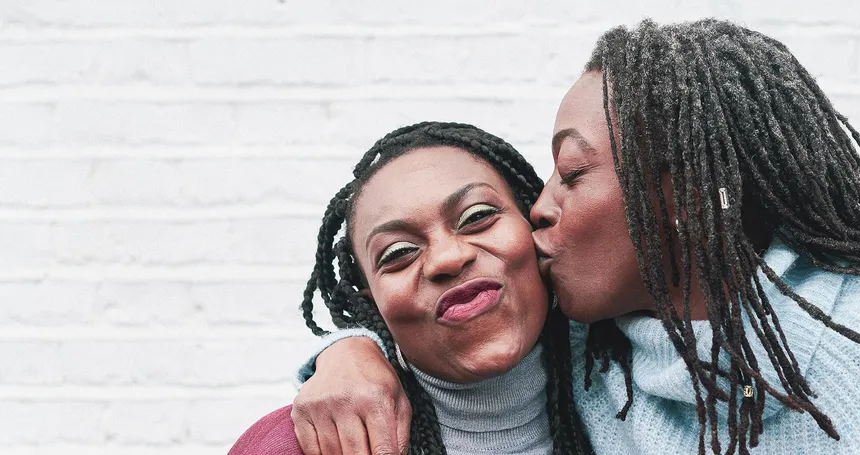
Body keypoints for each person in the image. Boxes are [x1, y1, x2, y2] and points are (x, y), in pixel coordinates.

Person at [293, 19, 860, 455]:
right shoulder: (596, 358)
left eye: (571, 173)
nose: (539, 208)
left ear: (679, 192)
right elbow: (450, 333)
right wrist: (348, 354)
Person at [229, 122, 593, 455]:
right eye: (399, 253)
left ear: (534, 227)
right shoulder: (301, 446)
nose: (447, 259)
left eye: (477, 216)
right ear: (373, 305)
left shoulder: (625, 380)